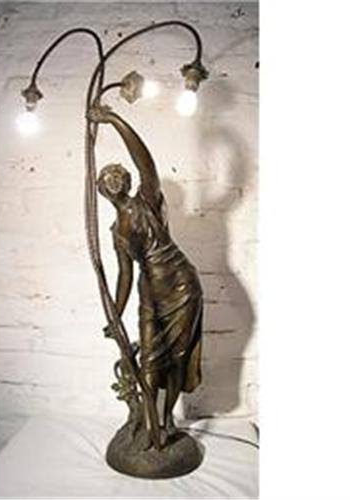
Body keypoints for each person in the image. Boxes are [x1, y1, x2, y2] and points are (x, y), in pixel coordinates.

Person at [88, 104, 203, 440]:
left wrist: (113, 120)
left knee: (177, 358)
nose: (113, 179)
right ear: (101, 189)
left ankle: (167, 420)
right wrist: (115, 315)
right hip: (149, 293)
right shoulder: (116, 232)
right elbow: (124, 276)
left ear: (126, 180)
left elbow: (145, 162)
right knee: (150, 359)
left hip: (180, 285)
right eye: (106, 177)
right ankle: (151, 424)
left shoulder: (147, 200)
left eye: (117, 174)